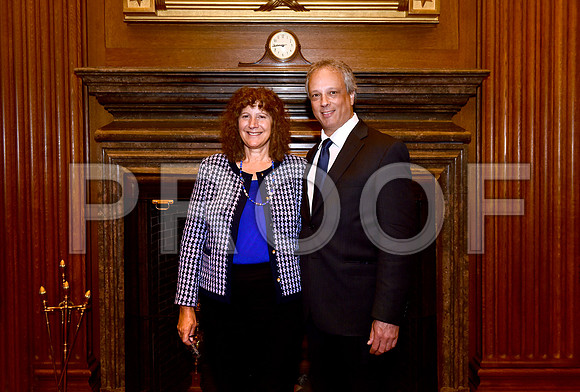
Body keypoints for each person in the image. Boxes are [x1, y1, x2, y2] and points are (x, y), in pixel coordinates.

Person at [175, 87, 306, 392]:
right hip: (223, 297)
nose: (253, 123)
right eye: (245, 115)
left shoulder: (298, 170)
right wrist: (186, 306)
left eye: (262, 115)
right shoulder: (212, 168)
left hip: (281, 298)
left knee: (274, 380)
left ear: (276, 123)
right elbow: (192, 238)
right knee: (224, 380)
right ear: (235, 123)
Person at [299, 59, 418, 391]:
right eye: (315, 95)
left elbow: (398, 241)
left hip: (362, 319)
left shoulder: (385, 150)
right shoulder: (312, 156)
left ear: (351, 95)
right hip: (318, 317)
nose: (324, 103)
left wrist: (388, 316)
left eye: (332, 92)